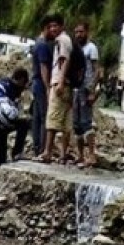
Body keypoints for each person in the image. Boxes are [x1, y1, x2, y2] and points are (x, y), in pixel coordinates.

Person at [38, 14, 75, 164]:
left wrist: (59, 82)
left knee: (52, 119)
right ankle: (63, 154)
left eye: (55, 26)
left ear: (62, 26)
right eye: (50, 26)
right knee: (66, 121)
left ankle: (47, 152)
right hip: (67, 84)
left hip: (59, 83)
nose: (53, 28)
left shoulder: (62, 40)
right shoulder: (65, 40)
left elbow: (65, 60)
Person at [0, 68, 30, 166]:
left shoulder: (8, 87)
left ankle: (16, 154)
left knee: (1, 158)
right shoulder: (4, 87)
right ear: (20, 79)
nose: (23, 87)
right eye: (23, 83)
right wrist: (3, 102)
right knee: (24, 124)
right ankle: (16, 153)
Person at [73, 23, 101, 168]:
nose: (78, 34)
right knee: (76, 124)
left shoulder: (91, 48)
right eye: (76, 32)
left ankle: (92, 155)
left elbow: (97, 71)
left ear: (87, 32)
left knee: (86, 123)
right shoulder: (76, 49)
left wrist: (93, 90)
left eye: (81, 31)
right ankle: (80, 156)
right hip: (76, 89)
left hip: (86, 89)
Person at [30, 17, 54, 157]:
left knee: (37, 117)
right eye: (50, 27)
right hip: (40, 83)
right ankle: (42, 149)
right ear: (45, 28)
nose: (53, 30)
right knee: (45, 116)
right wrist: (47, 87)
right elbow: (44, 68)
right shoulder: (43, 45)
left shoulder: (37, 43)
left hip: (35, 83)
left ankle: (37, 147)